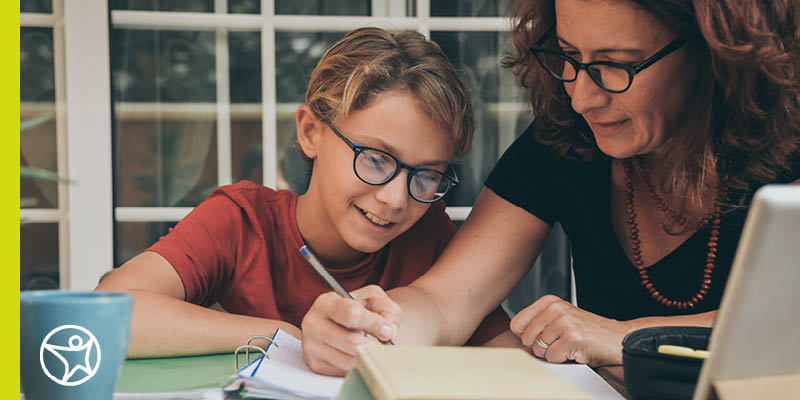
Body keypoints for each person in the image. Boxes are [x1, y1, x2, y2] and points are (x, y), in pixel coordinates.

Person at [300, 0, 800, 375]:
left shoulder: (789, 145)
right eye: (567, 56)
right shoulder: (566, 139)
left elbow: (788, 329)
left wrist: (621, 337)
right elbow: (445, 302)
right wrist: (372, 329)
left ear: (714, 52)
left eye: (617, 65)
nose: (581, 96)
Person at [96, 27, 519, 357]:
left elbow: (507, 359)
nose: (395, 198)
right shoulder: (241, 222)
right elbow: (105, 314)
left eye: (427, 175)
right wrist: (285, 337)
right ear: (311, 132)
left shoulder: (429, 237)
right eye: (375, 159)